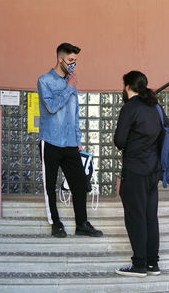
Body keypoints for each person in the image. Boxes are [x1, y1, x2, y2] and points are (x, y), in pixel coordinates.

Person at [37, 43, 103, 238]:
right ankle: (55, 223)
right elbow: (51, 107)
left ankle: (82, 224)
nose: (74, 64)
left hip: (70, 143)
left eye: (76, 61)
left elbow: (75, 114)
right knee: (50, 185)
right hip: (50, 141)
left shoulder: (71, 82)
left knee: (80, 184)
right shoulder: (45, 80)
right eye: (71, 60)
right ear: (60, 59)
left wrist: (78, 140)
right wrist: (68, 88)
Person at [114, 71, 169, 277]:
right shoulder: (155, 107)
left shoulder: (130, 108)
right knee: (150, 217)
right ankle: (152, 263)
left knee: (135, 216)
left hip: (135, 170)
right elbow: (168, 132)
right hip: (153, 171)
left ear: (128, 87)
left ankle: (139, 264)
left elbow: (119, 141)